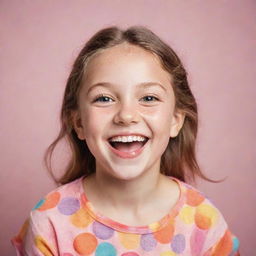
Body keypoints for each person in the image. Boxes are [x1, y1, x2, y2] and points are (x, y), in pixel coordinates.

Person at [12, 26, 240, 256]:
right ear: (79, 123)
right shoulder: (49, 222)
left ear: (175, 120)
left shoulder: (204, 221)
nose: (126, 115)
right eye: (104, 98)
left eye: (149, 98)